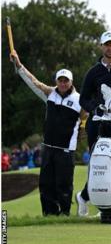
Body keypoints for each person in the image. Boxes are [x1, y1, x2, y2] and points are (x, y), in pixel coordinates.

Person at [10, 51, 83, 216]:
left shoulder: (80, 100)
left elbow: (86, 122)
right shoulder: (50, 94)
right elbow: (33, 81)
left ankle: (64, 213)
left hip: (66, 150)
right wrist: (19, 65)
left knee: (63, 184)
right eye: (60, 80)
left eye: (66, 81)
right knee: (46, 184)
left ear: (71, 82)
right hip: (48, 148)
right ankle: (48, 214)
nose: (63, 83)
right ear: (57, 81)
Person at [75, 31, 111, 217]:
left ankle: (89, 197)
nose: (109, 47)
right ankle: (102, 205)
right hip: (97, 124)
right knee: (100, 164)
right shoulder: (93, 72)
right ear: (101, 46)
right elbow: (83, 99)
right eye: (106, 44)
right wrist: (95, 109)